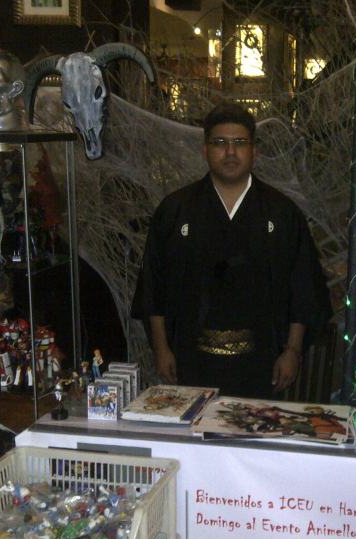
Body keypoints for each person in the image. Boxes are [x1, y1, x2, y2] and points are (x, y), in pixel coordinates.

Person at [133, 103, 331, 398]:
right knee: (194, 426)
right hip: (192, 359)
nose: (230, 152)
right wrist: (161, 349)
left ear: (254, 152)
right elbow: (154, 286)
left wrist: (292, 350)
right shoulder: (175, 211)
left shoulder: (282, 213)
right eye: (220, 142)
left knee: (257, 425)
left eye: (239, 142)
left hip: (262, 362)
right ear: (205, 150)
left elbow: (302, 287)